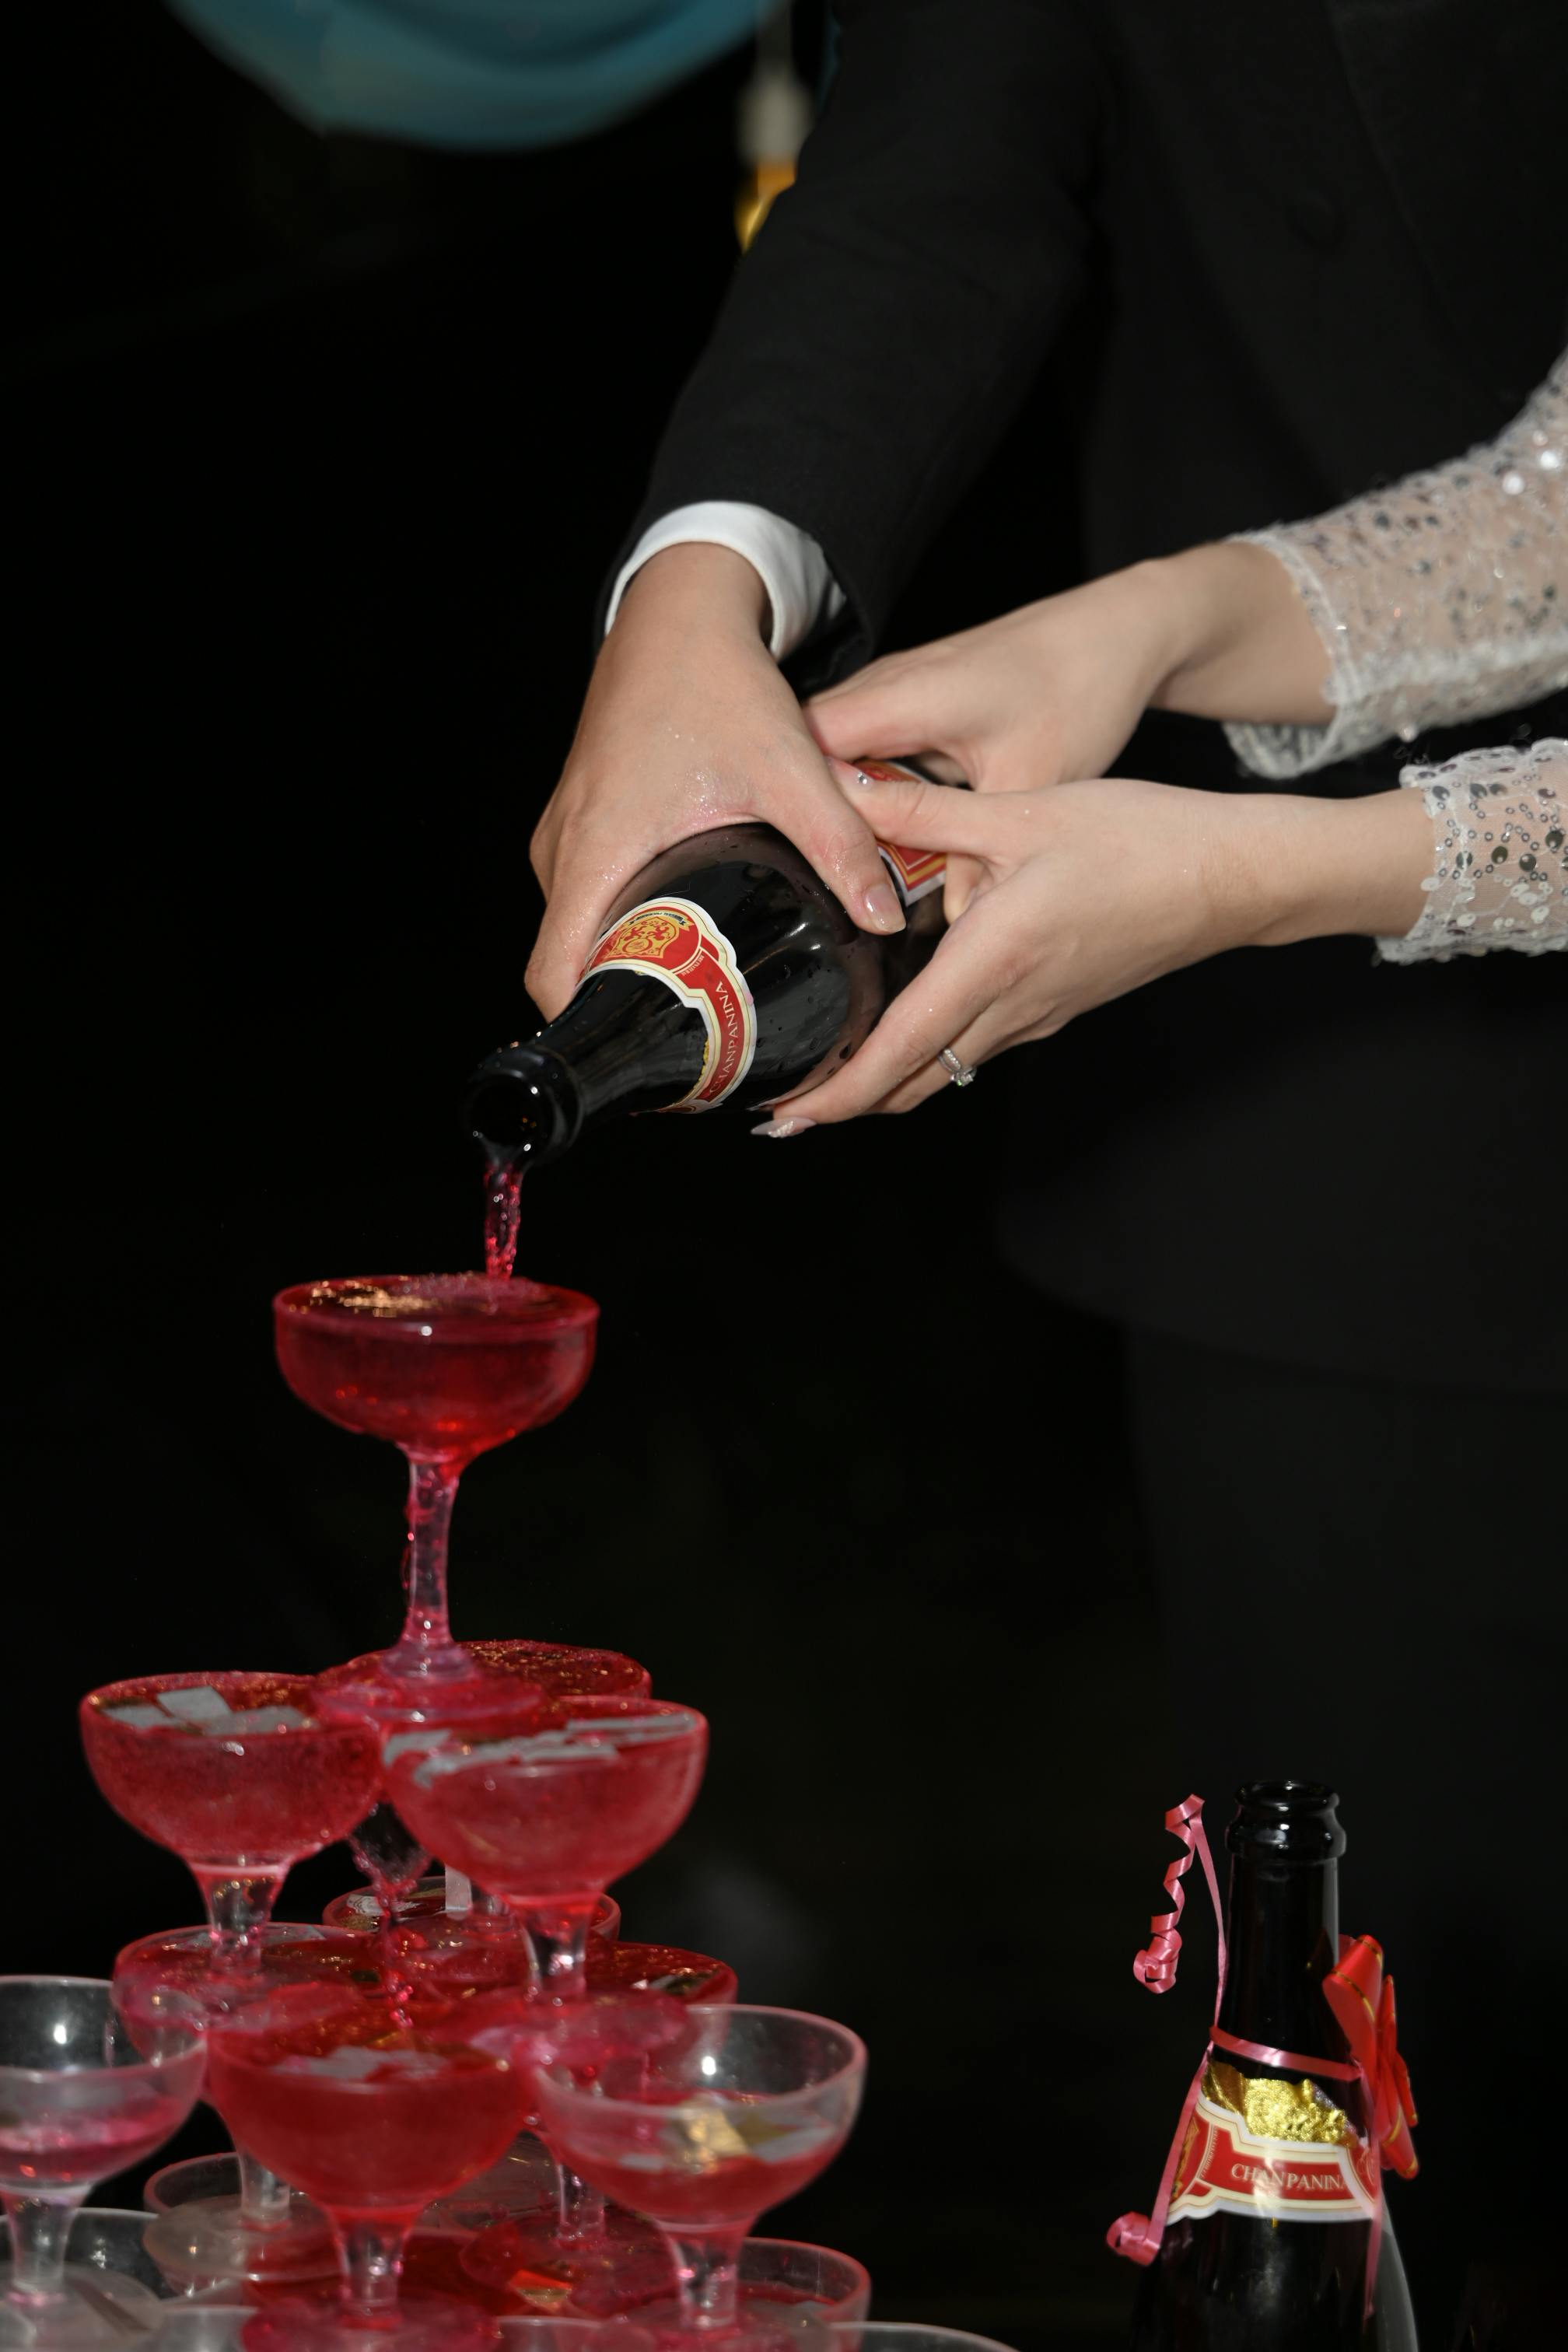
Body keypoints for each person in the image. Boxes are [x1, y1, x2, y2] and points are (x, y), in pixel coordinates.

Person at [522, 4, 1568, 2331]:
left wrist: (1265, 872)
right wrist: (1128, 627)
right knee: (1389, 2167)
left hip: (1343, 966)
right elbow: (1549, 511)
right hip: (1345, 1216)